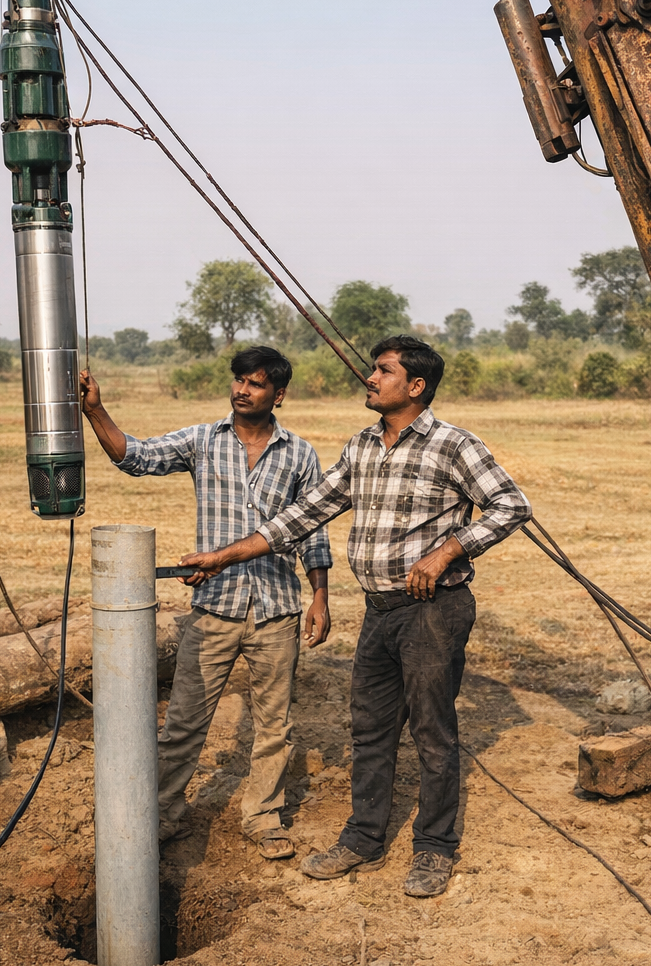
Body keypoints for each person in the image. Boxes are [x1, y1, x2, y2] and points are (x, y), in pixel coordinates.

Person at [178, 335, 531, 897]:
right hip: (379, 611)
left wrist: (447, 551)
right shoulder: (364, 446)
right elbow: (302, 516)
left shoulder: (453, 445)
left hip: (433, 611)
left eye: (383, 371)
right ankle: (363, 839)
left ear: (415, 386)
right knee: (369, 731)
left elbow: (512, 504)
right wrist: (223, 556)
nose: (370, 378)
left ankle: (434, 850)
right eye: (372, 369)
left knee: (433, 734)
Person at [78, 345, 333, 860]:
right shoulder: (202, 440)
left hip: (277, 608)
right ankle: (162, 815)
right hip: (214, 607)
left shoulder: (301, 454)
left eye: (256, 383)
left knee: (275, 726)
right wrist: (94, 411)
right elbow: (135, 457)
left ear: (277, 394)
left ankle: (263, 817)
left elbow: (313, 531)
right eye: (239, 380)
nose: (243, 390)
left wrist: (321, 596)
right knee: (184, 724)